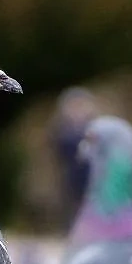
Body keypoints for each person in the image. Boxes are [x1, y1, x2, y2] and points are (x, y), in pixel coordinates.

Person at [49, 87, 98, 227]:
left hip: (91, 175)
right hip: (71, 175)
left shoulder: (94, 129)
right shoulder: (63, 130)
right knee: (72, 204)